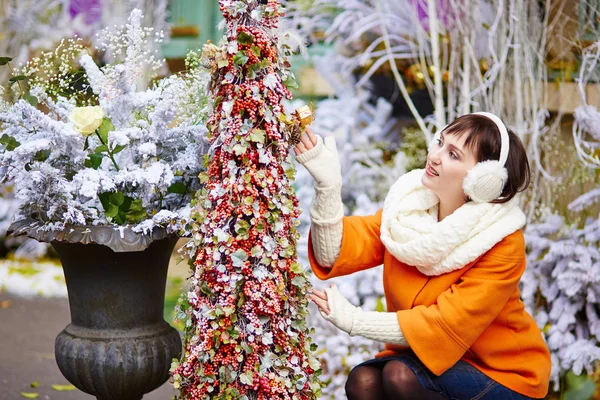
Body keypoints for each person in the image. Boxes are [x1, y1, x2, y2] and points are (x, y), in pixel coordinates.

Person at [294, 112, 551, 400]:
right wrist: (328, 187)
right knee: (363, 380)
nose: (435, 156)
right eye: (440, 142)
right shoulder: (408, 214)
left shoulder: (502, 242)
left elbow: (443, 325)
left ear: (484, 181)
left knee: (399, 377)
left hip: (501, 373)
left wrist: (355, 320)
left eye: (453, 154)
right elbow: (334, 253)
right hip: (424, 361)